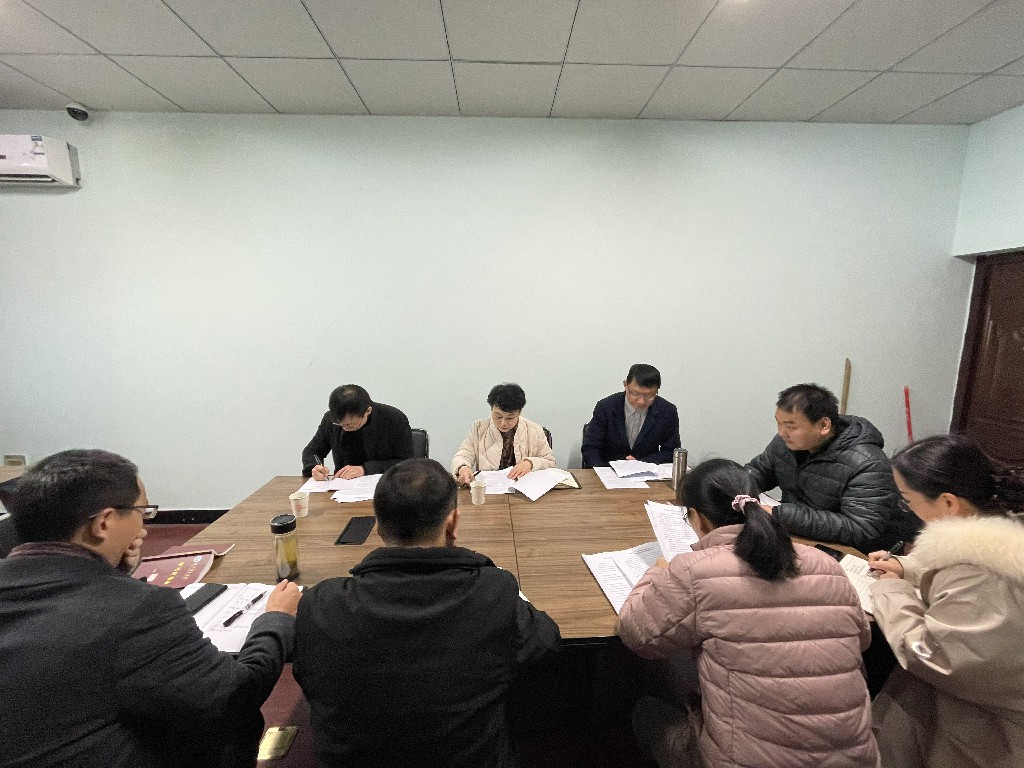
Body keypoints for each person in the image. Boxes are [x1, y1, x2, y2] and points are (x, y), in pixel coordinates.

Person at [0, 449, 300, 768]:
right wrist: (275, 618)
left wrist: (111, 569)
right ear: (103, 523)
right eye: (141, 511)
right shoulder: (138, 608)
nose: (143, 528)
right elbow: (236, 695)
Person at [293, 458, 561, 768]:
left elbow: (309, 680)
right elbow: (547, 641)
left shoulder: (321, 604)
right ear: (453, 523)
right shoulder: (493, 591)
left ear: (377, 527)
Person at [619, 458, 879, 768]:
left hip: (741, 761)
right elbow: (862, 639)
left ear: (698, 519)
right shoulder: (824, 563)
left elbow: (636, 634)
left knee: (646, 710)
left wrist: (657, 572)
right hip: (855, 760)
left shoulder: (694, 571)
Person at [868, 434, 1024, 768]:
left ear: (949, 503)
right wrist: (905, 568)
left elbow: (936, 656)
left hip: (983, 731)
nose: (908, 510)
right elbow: (951, 569)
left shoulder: (984, 575)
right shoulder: (1000, 526)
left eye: (908, 500)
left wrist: (891, 591)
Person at [746, 383, 920, 553]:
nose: (782, 433)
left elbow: (861, 528)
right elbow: (759, 471)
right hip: (800, 535)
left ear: (824, 426)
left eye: (791, 427)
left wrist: (784, 515)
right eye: (779, 423)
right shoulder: (785, 443)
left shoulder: (868, 463)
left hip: (855, 552)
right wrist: (735, 486)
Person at [451, 382, 556, 485]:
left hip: (524, 489)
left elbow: (550, 462)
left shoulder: (535, 430)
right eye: (498, 416)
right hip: (489, 489)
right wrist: (463, 467)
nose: (503, 423)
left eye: (510, 418)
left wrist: (530, 463)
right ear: (491, 409)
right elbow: (464, 454)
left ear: (519, 413)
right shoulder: (478, 428)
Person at [302, 384, 414, 479]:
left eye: (349, 425)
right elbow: (311, 452)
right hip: (343, 486)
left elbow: (407, 462)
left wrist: (365, 469)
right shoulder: (330, 420)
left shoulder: (394, 419)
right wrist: (315, 467)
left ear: (368, 411)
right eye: (340, 425)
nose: (344, 428)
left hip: (384, 484)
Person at [582, 363, 680, 468]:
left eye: (650, 395)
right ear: (625, 385)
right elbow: (591, 448)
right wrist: (604, 470)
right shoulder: (606, 407)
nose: (641, 401)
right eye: (635, 394)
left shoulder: (667, 411)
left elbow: (671, 452)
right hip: (609, 470)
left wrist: (641, 464)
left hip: (646, 472)